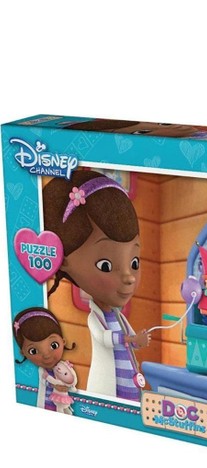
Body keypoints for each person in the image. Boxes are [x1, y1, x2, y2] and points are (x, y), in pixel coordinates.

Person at [43, 170, 150, 401]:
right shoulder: (96, 317)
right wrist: (130, 340)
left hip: (132, 389)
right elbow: (104, 338)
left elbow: (129, 336)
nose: (129, 277)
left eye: (134, 262)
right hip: (109, 389)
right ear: (65, 261)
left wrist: (137, 340)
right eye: (105, 265)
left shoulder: (119, 317)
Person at [12, 308, 76, 411]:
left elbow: (72, 379)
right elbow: (44, 381)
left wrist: (69, 386)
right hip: (45, 404)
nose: (46, 355)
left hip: (62, 403)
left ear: (63, 341)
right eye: (33, 351)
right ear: (23, 353)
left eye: (54, 345)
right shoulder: (42, 371)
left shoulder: (65, 366)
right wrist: (56, 385)